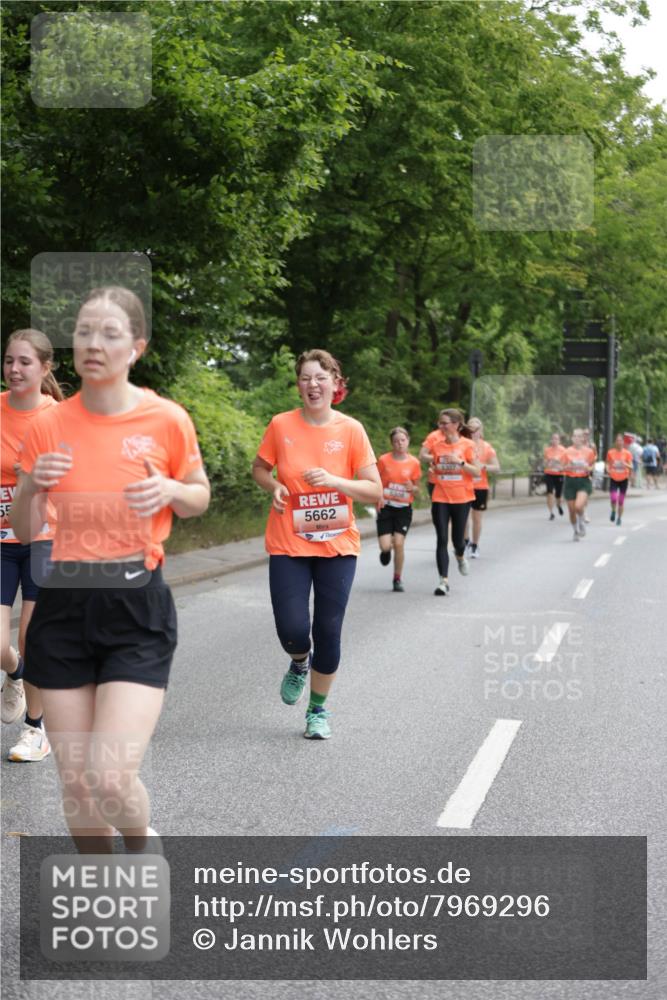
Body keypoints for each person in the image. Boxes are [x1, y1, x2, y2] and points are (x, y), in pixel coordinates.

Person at [10, 286, 210, 852]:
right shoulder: (48, 425)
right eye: (83, 332)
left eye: (109, 333)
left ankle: (142, 844)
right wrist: (31, 485)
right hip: (63, 605)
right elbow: (23, 529)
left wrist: (171, 489)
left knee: (109, 776)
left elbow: (198, 495)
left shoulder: (165, 419)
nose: (93, 343)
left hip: (135, 607)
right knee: (77, 787)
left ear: (136, 347)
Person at [251, 349, 381, 741]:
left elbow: (374, 490)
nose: (313, 385)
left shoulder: (351, 430)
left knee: (329, 629)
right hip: (288, 541)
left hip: (337, 545)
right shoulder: (281, 425)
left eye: (321, 378)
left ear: (335, 384)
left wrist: (335, 481)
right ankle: (298, 661)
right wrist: (274, 486)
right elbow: (260, 468)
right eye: (306, 378)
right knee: (292, 628)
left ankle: (317, 711)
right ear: (298, 385)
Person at [1, 329, 63, 762]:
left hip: (46, 538)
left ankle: (35, 730)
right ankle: (16, 672)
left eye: (24, 361)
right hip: (2, 540)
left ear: (45, 367)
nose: (14, 369)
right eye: (9, 360)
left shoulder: (60, 418)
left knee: (32, 634)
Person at [421, 409, 479, 595]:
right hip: (441, 497)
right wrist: (434, 470)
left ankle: (460, 556)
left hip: (462, 497)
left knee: (458, 541)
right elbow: (436, 467)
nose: (441, 426)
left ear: (456, 424)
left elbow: (476, 471)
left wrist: (460, 462)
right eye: (440, 423)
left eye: (445, 423)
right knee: (442, 539)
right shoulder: (437, 446)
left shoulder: (468, 445)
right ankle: (443, 581)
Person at [376, 427, 421, 591]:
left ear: (408, 441)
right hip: (386, 507)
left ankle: (397, 578)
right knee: (385, 546)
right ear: (392, 443)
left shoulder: (414, 463)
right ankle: (385, 551)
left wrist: (412, 488)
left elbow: (417, 489)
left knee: (399, 543)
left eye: (403, 440)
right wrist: (379, 496)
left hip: (403, 509)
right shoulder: (383, 460)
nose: (400, 444)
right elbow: (376, 482)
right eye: (396, 441)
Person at [465, 417, 499, 557]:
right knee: (463, 517)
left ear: (481, 431)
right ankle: (465, 541)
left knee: (477, 517)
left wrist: (483, 466)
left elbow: (496, 467)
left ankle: (475, 545)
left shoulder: (487, 447)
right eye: (471, 429)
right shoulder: (462, 444)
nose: (473, 432)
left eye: (476, 429)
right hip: (464, 485)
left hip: (480, 487)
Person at [563, 429, 594, 541]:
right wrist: (568, 467)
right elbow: (562, 467)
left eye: (579, 436)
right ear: (572, 438)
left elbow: (592, 466)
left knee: (578, 506)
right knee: (571, 510)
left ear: (582, 438)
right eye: (575, 436)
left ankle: (581, 521)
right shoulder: (567, 452)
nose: (577, 438)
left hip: (583, 481)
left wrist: (587, 468)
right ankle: (575, 531)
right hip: (570, 481)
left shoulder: (589, 452)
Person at [605, 434, 632, 526]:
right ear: (615, 442)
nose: (619, 442)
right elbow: (607, 463)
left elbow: (631, 466)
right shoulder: (610, 452)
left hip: (624, 479)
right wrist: (607, 469)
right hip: (614, 478)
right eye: (617, 440)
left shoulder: (627, 453)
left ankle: (619, 518)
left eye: (621, 441)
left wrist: (625, 464)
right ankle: (613, 510)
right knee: (613, 498)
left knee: (621, 501)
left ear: (623, 442)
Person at [542, 432, 566, 521]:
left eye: (556, 439)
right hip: (549, 473)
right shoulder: (547, 450)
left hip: (559, 474)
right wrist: (548, 463)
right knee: (549, 492)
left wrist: (559, 465)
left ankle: (558, 505)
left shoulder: (563, 450)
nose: (554, 440)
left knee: (558, 495)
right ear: (551, 440)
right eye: (553, 438)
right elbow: (544, 462)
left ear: (559, 440)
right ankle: (551, 512)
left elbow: (566, 463)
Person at [581, 428, 597, 523]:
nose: (585, 436)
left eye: (587, 434)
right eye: (584, 434)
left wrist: (591, 462)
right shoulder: (577, 445)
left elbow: (595, 456)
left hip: (588, 471)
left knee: (586, 493)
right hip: (577, 471)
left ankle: (584, 513)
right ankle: (579, 510)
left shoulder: (592, 445)